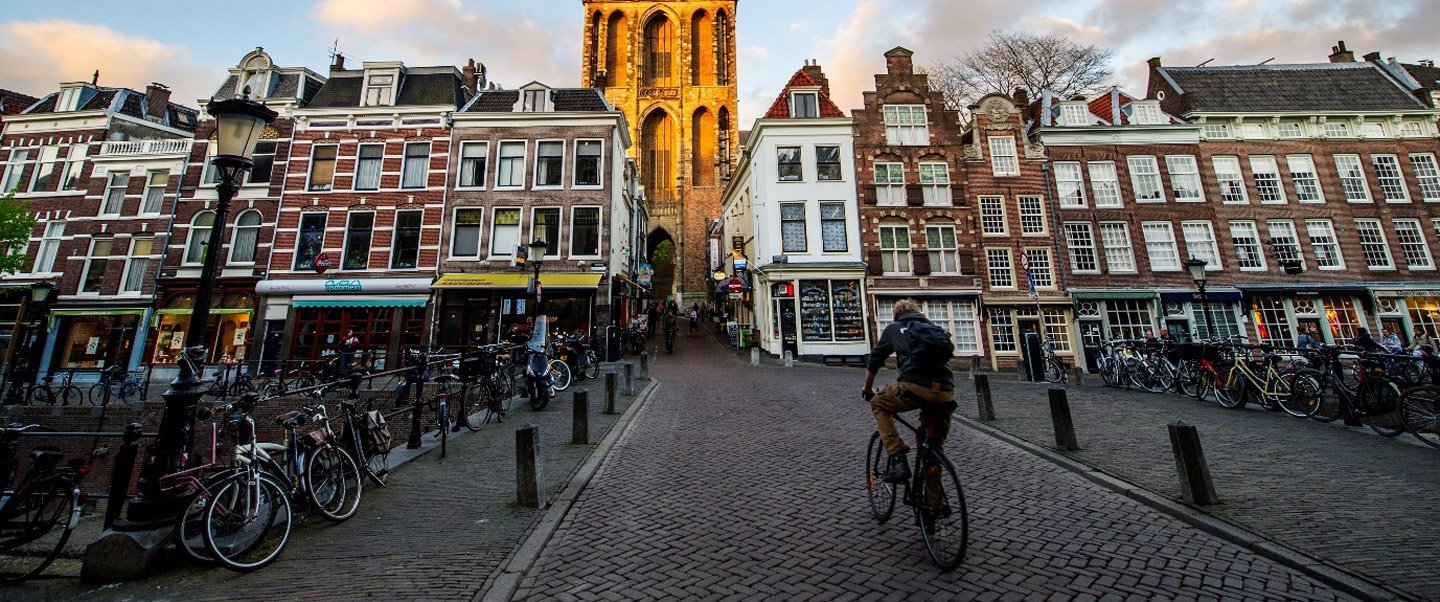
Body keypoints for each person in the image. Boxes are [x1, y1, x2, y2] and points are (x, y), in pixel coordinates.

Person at [863, 299, 956, 483]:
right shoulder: (932, 328)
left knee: (878, 403)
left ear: (896, 315)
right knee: (934, 448)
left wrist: (868, 389)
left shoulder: (894, 329)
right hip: (947, 392)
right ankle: (935, 506)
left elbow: (875, 360)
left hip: (915, 387)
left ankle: (898, 458)